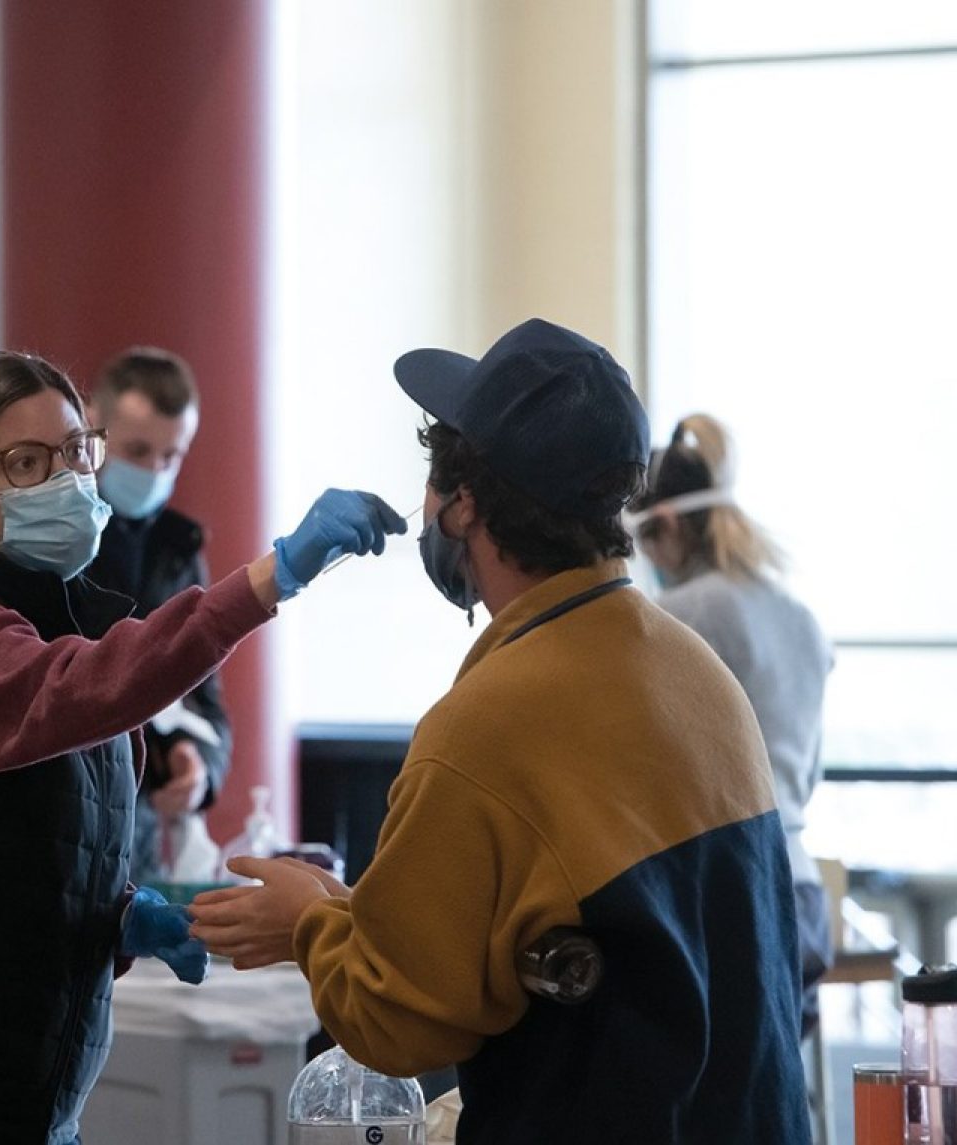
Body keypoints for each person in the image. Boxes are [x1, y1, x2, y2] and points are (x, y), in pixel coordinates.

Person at [0, 350, 406, 1145]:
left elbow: (7, 839)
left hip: (21, 1105)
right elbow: (72, 689)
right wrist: (267, 580)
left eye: (76, 451)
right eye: (26, 463)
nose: (67, 479)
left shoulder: (64, 624)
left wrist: (112, 913)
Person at [190, 319, 809, 1142]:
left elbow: (399, 1019)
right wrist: (355, 912)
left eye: (437, 486)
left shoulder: (485, 725)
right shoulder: (693, 672)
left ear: (465, 501)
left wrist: (309, 923)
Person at [627, 413, 834, 1032]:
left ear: (664, 525)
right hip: (802, 891)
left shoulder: (684, 612)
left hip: (735, 896)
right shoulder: (798, 615)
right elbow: (808, 769)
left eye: (644, 545)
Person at [83, 347, 231, 884]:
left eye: (172, 457)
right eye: (138, 450)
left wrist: (198, 767)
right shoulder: (53, 541)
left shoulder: (179, 549)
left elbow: (207, 702)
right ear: (92, 426)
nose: (153, 472)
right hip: (61, 821)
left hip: (138, 842)